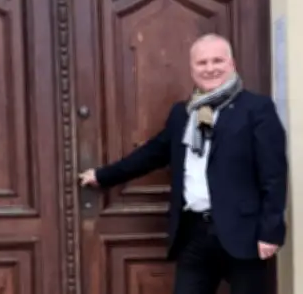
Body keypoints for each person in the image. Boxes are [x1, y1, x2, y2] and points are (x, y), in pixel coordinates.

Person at [78, 33, 287, 294]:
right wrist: (104, 175)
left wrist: (270, 232)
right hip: (193, 233)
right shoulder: (183, 113)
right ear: (192, 69)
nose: (210, 68)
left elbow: (274, 175)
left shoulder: (256, 108)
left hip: (244, 234)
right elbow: (153, 153)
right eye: (202, 63)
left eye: (217, 61)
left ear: (231, 64)